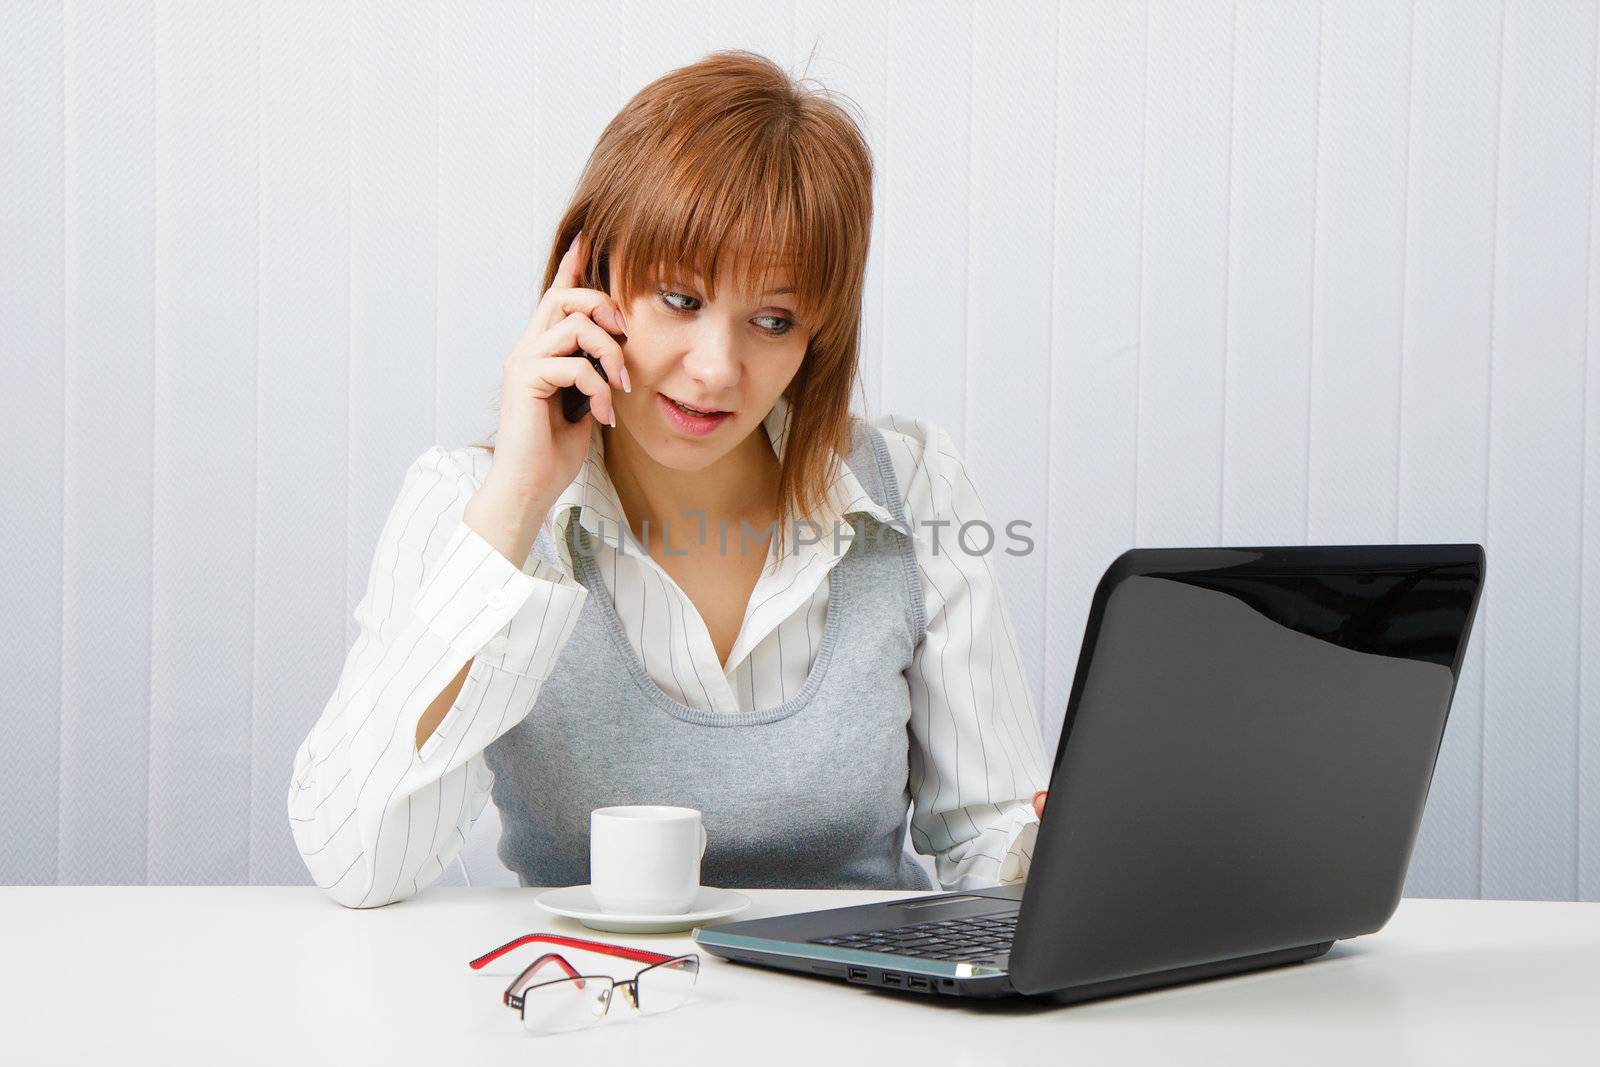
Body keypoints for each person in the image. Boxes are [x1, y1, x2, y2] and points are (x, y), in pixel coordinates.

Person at [287, 50, 1050, 910]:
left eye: (773, 320)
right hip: (593, 1011)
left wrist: (1055, 851)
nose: (717, 368)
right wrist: (517, 502)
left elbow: (991, 837)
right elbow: (357, 860)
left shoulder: (913, 486)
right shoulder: (470, 505)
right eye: (681, 301)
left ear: (817, 337)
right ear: (593, 275)